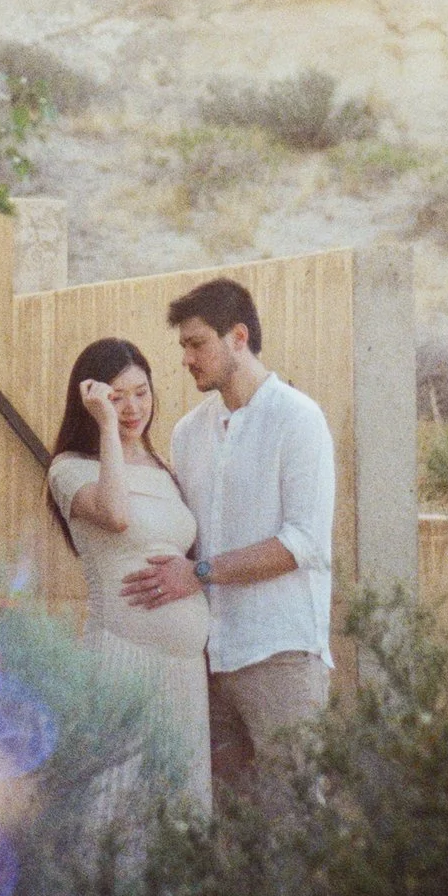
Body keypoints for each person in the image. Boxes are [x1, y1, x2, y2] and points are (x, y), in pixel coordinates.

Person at [121, 278, 336, 792]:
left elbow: (302, 543)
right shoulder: (188, 433)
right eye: (183, 347)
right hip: (207, 660)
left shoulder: (298, 420)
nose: (186, 359)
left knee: (295, 821)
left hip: (281, 656)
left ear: (238, 337)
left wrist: (199, 573)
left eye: (197, 344)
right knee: (222, 829)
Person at [45, 337, 213, 812]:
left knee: (179, 808)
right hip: (122, 660)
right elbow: (116, 514)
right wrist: (106, 426)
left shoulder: (163, 469)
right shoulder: (69, 470)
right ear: (93, 403)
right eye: (117, 398)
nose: (133, 408)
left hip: (183, 670)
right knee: (117, 810)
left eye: (142, 392)